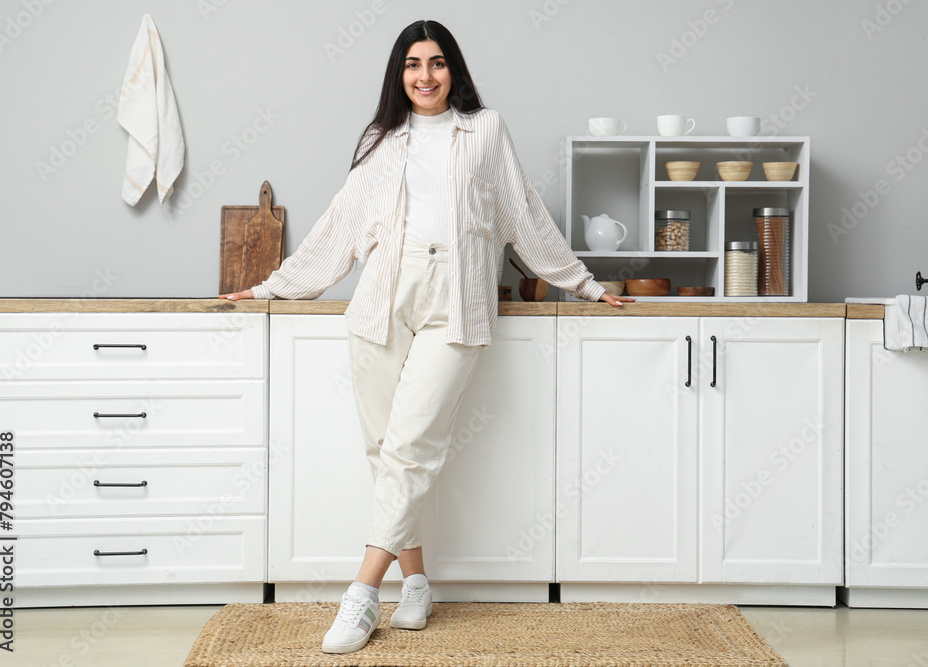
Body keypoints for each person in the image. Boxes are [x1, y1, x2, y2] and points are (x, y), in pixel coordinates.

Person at [220, 19, 633, 655]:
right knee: (386, 450)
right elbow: (340, 223)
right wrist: (275, 286)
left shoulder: (485, 129)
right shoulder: (380, 138)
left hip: (457, 300)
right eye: (413, 64)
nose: (425, 75)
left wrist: (583, 283)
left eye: (436, 63)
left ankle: (360, 596)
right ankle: (415, 583)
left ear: (453, 69)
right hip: (385, 296)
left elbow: (522, 211)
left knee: (412, 447)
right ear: (399, 75)